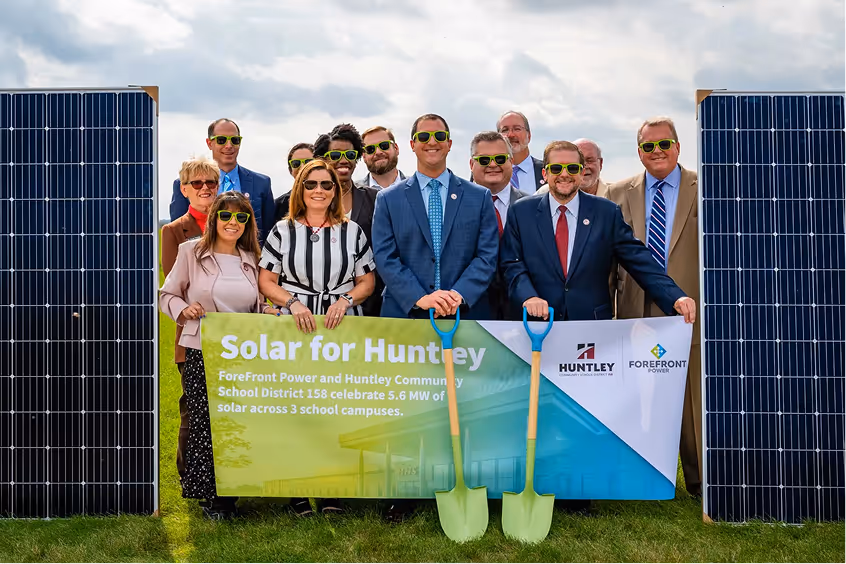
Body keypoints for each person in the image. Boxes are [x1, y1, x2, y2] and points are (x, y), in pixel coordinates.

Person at [257, 158, 376, 515]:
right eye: (312, 185)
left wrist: (345, 300)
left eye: (327, 185)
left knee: (335, 408)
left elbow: (367, 281)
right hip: (296, 326)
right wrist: (291, 303)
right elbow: (266, 281)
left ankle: (330, 489)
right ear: (300, 190)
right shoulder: (282, 230)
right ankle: (295, 488)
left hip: (340, 326)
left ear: (335, 190)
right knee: (296, 409)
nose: (320, 191)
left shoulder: (352, 231)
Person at [159, 191, 280, 520]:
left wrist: (267, 311)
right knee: (204, 422)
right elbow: (166, 295)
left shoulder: (251, 258)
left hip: (242, 353)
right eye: (225, 216)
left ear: (248, 224)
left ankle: (234, 490)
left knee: (236, 422)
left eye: (241, 217)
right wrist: (184, 309)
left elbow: (255, 303)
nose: (233, 223)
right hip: (201, 348)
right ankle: (212, 498)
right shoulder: (190, 252)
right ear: (213, 219)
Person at [606, 116, 702, 498]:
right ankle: (642, 480)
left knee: (693, 404)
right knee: (638, 400)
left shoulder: (706, 186)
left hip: (690, 311)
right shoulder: (616, 192)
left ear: (678, 146)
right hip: (634, 310)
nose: (656, 151)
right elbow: (609, 257)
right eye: (648, 146)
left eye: (664, 144)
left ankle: (699, 482)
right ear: (639, 152)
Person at [372, 113, 499, 320]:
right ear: (412, 145)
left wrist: (458, 295)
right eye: (424, 137)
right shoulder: (387, 199)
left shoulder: (479, 196)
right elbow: (385, 257)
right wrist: (420, 297)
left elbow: (487, 255)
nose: (432, 142)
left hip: (465, 313)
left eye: (439, 136)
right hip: (407, 314)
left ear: (449, 144)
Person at [276, 125, 384, 316]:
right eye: (335, 156)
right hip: (303, 311)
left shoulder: (376, 199)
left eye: (350, 155)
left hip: (366, 307)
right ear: (321, 159)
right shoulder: (291, 205)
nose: (344, 160)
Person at [160, 155, 219, 480]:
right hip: (193, 333)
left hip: (230, 334)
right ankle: (188, 475)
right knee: (192, 409)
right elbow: (174, 283)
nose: (205, 188)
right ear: (185, 189)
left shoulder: (231, 224)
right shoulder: (173, 231)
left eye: (210, 182)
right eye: (197, 183)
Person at [169, 118, 275, 244]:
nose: (229, 146)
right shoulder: (188, 185)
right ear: (209, 143)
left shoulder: (261, 183)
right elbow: (179, 230)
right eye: (221, 140)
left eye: (234, 140)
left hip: (250, 260)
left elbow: (269, 232)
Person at [468, 130, 526, 320]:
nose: (493, 165)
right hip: (471, 311)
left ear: (511, 161)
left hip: (522, 311)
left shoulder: (532, 206)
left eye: (500, 158)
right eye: (484, 160)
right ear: (471, 164)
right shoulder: (454, 206)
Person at [536, 138, 609, 198]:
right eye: (574, 164)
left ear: (601, 163)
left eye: (589, 160)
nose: (583, 166)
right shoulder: (543, 193)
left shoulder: (615, 196)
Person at [494, 110, 545, 194]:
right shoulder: (487, 171)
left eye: (517, 129)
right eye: (505, 130)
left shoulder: (548, 171)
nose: (510, 135)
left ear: (529, 136)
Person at [275, 142, 314, 222]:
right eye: (296, 163)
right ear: (290, 170)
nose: (303, 167)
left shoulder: (332, 199)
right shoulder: (278, 206)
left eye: (309, 162)